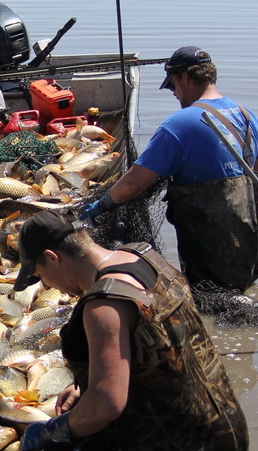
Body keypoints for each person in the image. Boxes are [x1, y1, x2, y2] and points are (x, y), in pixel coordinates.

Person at [13, 209, 248, 451]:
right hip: (229, 433)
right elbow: (166, 345)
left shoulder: (104, 304)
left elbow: (107, 404)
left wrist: (52, 431)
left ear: (53, 258)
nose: (45, 284)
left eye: (40, 276)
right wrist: (93, 381)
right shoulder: (144, 256)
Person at [80, 46, 258, 292]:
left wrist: (102, 204)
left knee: (207, 299)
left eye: (172, 85)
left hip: (207, 249)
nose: (173, 93)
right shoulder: (247, 117)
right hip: (249, 244)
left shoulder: (180, 125)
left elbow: (133, 184)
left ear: (184, 77)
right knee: (241, 294)